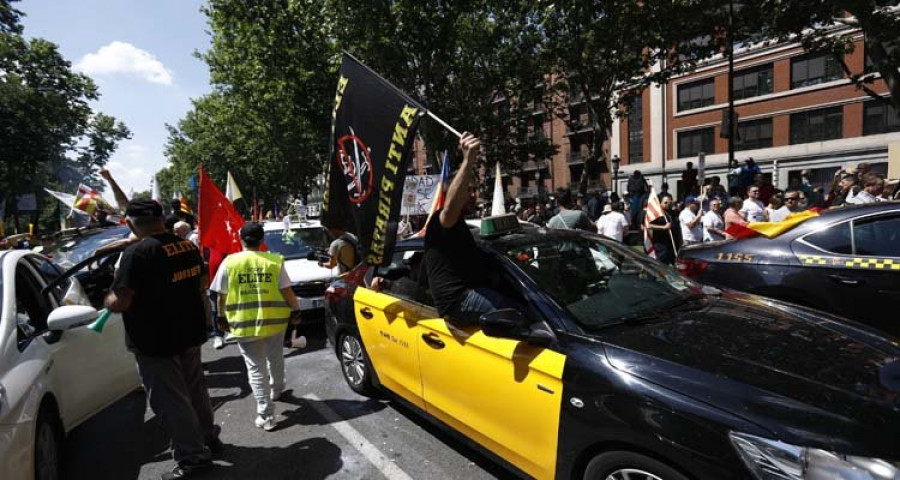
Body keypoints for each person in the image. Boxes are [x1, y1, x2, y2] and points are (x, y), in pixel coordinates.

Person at [104, 200, 220, 480]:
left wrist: (107, 299)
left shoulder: (136, 254)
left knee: (171, 401)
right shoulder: (186, 245)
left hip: (155, 340)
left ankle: (192, 458)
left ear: (130, 224)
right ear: (162, 219)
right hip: (189, 331)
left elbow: (120, 302)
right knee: (195, 391)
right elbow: (202, 282)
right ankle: (208, 439)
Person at [419, 133, 523, 327]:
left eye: (475, 190)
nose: (474, 195)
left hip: (474, 291)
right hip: (459, 301)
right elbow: (451, 206)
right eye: (469, 190)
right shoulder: (443, 219)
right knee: (520, 314)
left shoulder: (461, 227)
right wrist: (468, 160)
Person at [210, 222, 302, 432]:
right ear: (262, 241)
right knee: (275, 357)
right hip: (275, 321)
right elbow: (287, 290)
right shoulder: (274, 261)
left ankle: (266, 415)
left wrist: (222, 317)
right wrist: (296, 310)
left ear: (240, 239)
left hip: (244, 325)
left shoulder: (230, 262)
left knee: (256, 368)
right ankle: (277, 390)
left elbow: (220, 294)